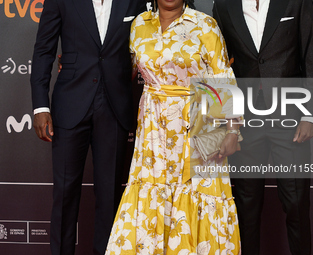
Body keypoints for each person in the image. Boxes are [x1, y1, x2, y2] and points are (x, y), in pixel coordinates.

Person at [105, 0, 241, 254]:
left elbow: (224, 79)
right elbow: (125, 70)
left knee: (200, 193)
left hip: (200, 123)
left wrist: (232, 130)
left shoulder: (205, 25)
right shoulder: (139, 25)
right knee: (152, 189)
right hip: (153, 128)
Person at [30, 0, 146, 254]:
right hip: (70, 104)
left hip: (115, 106)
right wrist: (40, 107)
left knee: (110, 196)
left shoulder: (134, 1)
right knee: (64, 194)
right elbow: (43, 51)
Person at [213, 0, 313, 254]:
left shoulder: (297, 2)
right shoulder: (223, 6)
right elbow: (219, 66)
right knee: (246, 206)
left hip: (290, 118)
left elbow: (311, 55)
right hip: (245, 120)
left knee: (296, 203)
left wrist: (311, 115)